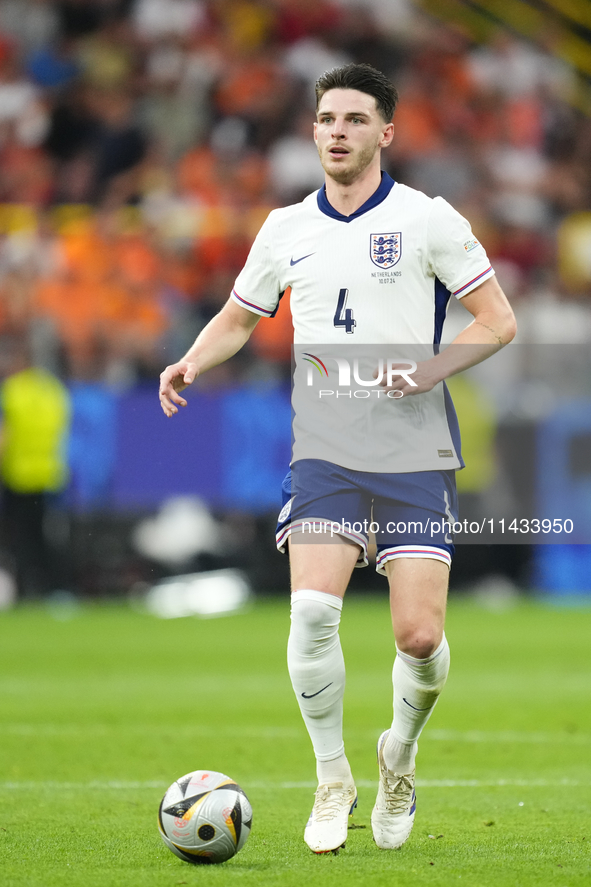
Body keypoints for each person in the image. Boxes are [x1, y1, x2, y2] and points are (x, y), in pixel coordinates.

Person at [159, 63, 516, 854]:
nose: (337, 132)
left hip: (414, 452)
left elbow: (497, 321)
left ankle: (398, 755)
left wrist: (423, 370)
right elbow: (236, 316)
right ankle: (332, 775)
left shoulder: (428, 220)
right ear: (312, 129)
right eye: (326, 119)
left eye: (354, 119)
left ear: (385, 132)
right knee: (312, 609)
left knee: (418, 638)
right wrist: (190, 360)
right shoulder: (285, 228)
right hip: (324, 447)